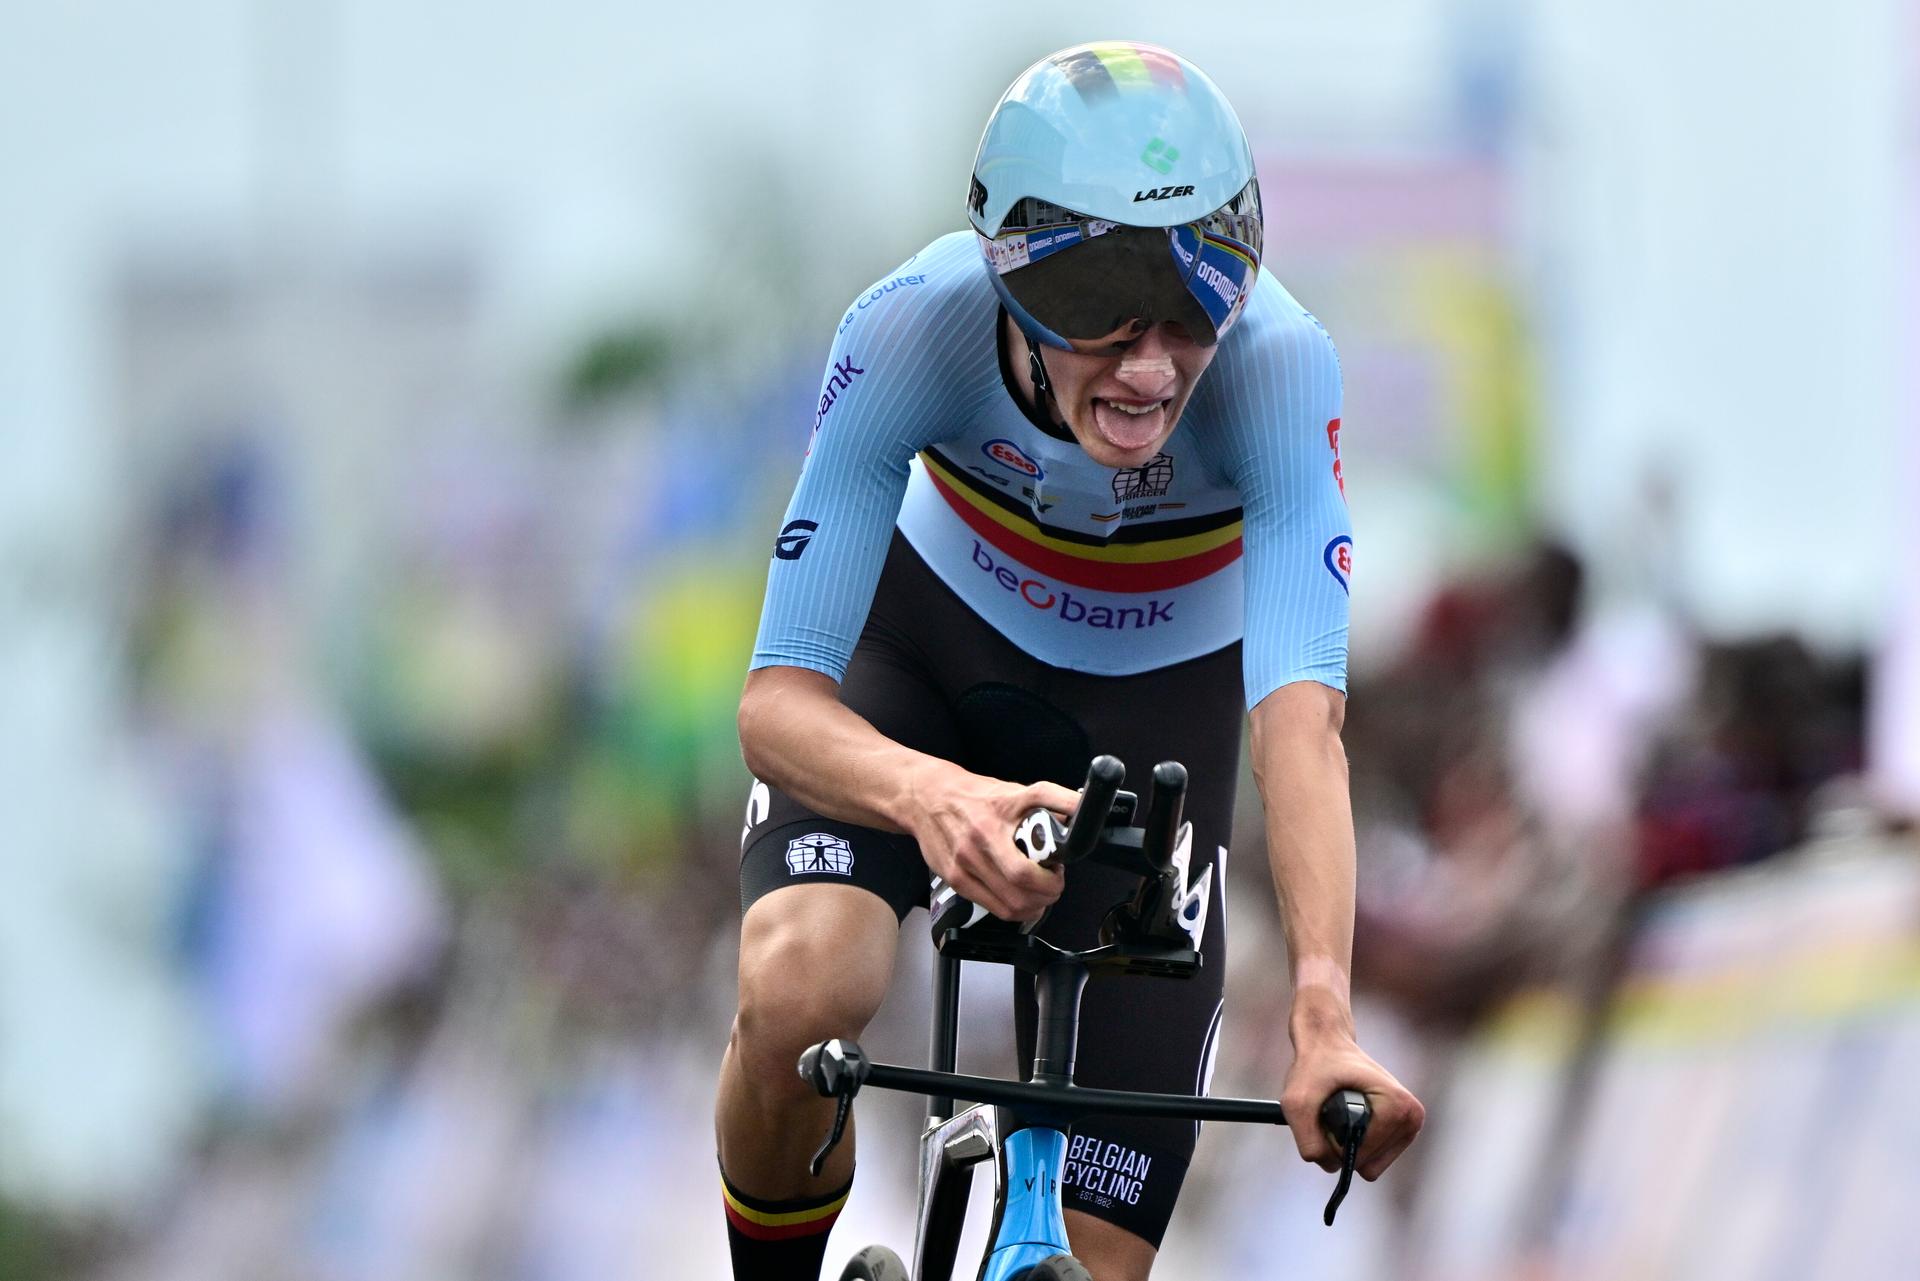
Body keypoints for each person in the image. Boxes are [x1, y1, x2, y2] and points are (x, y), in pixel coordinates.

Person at [716, 41, 1424, 1281]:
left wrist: (1324, 1017)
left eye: (1200, 298)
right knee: (803, 987)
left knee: (1094, 1260)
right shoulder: (909, 328)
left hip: (1151, 726)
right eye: (1102, 309)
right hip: (921, 671)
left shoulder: (1279, 367)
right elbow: (777, 704)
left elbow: (1302, 729)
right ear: (1010, 281)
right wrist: (934, 794)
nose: (1151, 367)